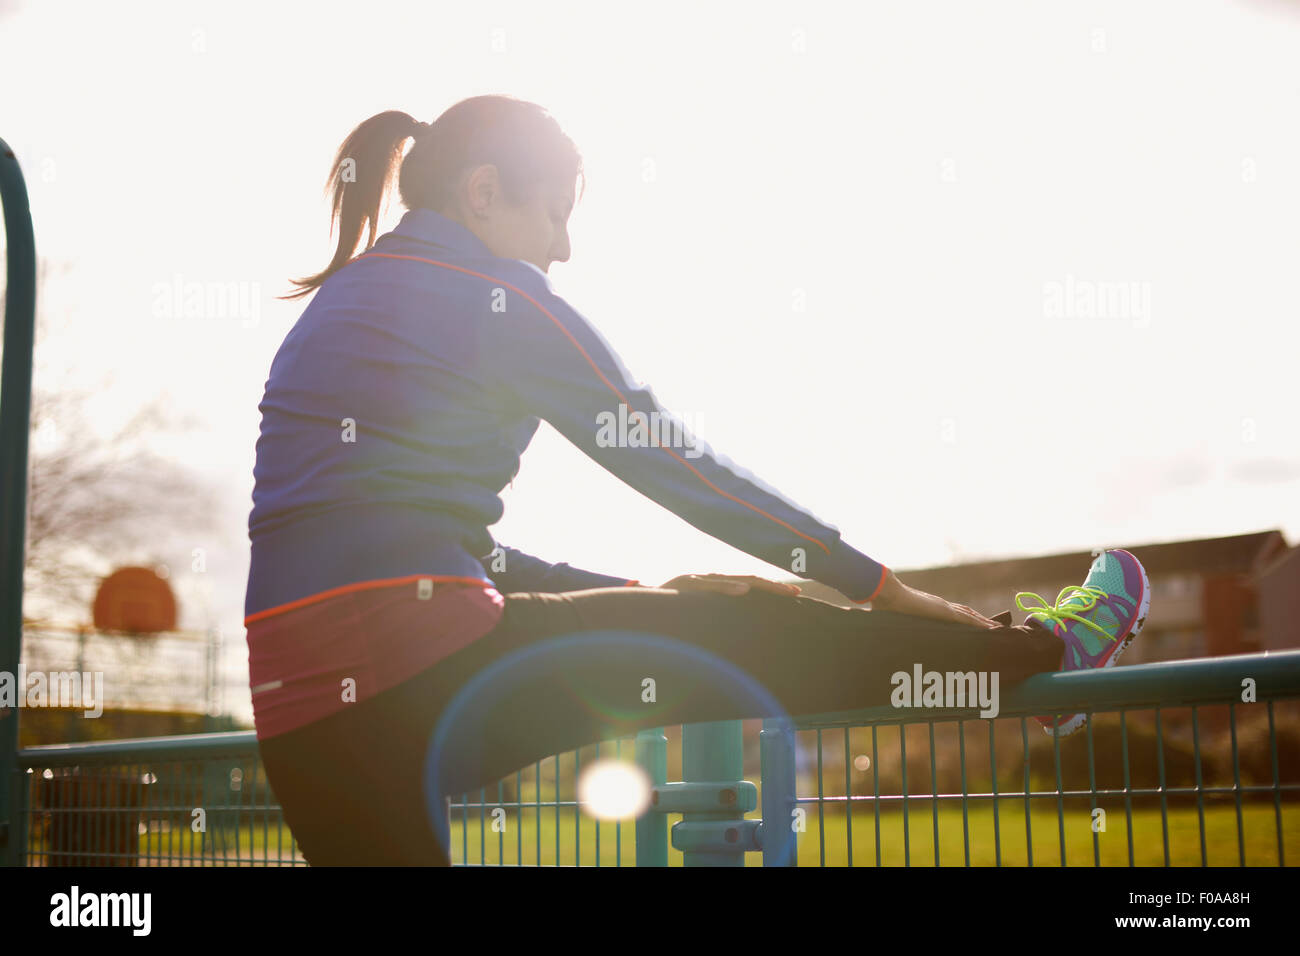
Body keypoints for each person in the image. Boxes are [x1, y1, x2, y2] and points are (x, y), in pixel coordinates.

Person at [245, 94, 1150, 866]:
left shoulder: (346, 303)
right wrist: (879, 585)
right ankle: (1043, 652)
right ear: (484, 192)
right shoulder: (497, 300)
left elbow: (418, 541)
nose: (562, 248)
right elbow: (677, 466)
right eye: (554, 213)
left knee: (694, 618)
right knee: (751, 633)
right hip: (422, 666)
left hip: (308, 729)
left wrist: (633, 594)